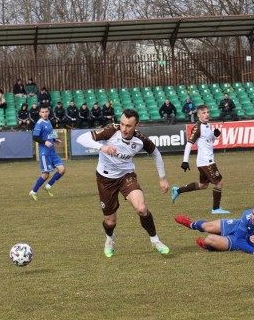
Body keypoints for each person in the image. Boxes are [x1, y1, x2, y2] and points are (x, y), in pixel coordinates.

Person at [76, 109, 170, 257]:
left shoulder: (140, 139)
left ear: (136, 126)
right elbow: (81, 138)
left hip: (126, 176)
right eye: (122, 124)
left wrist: (162, 177)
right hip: (105, 179)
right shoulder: (111, 131)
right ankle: (109, 239)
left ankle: (155, 240)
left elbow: (155, 152)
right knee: (110, 222)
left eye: (128, 126)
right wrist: (103, 147)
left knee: (141, 208)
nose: (124, 129)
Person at [171, 104, 230, 214]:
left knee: (203, 185)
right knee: (219, 182)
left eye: (208, 112)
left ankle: (177, 190)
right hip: (206, 161)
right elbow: (189, 144)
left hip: (205, 161)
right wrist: (185, 161)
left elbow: (209, 139)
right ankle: (216, 209)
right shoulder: (197, 127)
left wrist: (215, 135)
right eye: (203, 113)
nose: (207, 114)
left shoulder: (208, 125)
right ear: (198, 115)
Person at [175, 199, 254, 254]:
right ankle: (191, 224)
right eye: (253, 214)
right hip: (237, 227)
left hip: (242, 241)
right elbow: (239, 237)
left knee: (209, 239)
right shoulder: (248, 215)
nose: (253, 218)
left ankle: (208, 246)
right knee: (207, 226)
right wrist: (253, 250)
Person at [29, 104, 66, 201]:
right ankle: (33, 191)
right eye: (42, 112)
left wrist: (54, 140)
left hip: (52, 152)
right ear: (40, 113)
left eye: (46, 112)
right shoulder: (39, 123)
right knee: (46, 175)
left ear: (49, 112)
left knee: (62, 170)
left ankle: (48, 186)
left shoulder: (48, 121)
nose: (44, 114)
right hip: (44, 153)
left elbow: (47, 135)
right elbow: (35, 137)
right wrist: (45, 142)